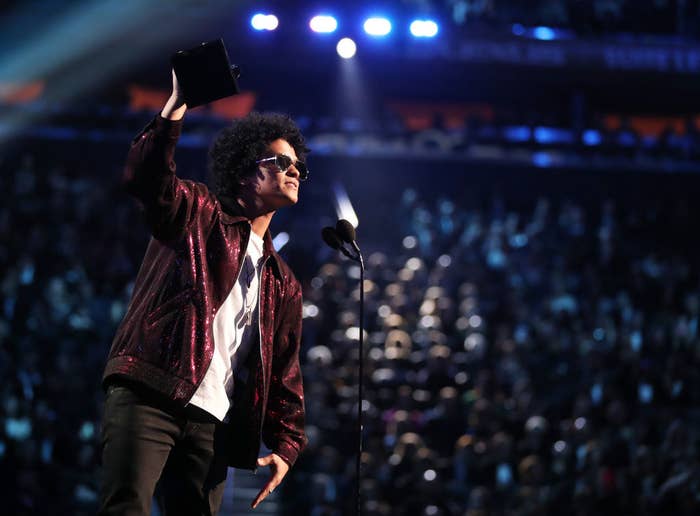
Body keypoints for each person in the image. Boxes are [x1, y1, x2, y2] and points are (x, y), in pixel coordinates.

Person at [98, 70, 308, 515]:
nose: (294, 171)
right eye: (280, 162)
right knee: (126, 507)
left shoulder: (282, 282)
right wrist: (175, 107)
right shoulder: (197, 211)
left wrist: (287, 448)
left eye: (298, 167)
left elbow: (285, 372)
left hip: (213, 421)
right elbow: (147, 178)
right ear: (246, 172)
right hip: (151, 391)